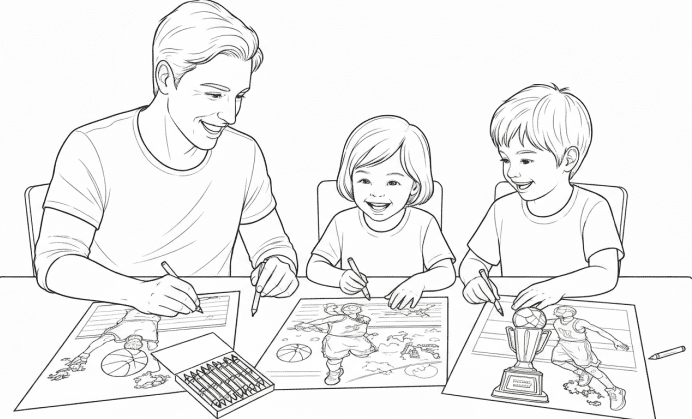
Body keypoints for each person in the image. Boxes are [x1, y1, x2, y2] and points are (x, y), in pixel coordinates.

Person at [34, 1, 299, 317]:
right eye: (214, 94)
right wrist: (137, 294)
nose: (230, 115)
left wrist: (279, 265)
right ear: (166, 79)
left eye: (238, 96)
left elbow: (272, 244)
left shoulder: (243, 154)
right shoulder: (92, 147)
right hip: (114, 324)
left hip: (211, 324)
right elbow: (54, 263)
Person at [459, 84, 624, 310]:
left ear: (568, 160)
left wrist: (556, 288)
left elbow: (605, 273)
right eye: (506, 160)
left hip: (577, 315)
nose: (512, 172)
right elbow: (472, 262)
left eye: (525, 160)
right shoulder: (503, 209)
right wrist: (474, 280)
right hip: (516, 315)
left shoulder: (592, 207)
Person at [306, 115, 456, 310]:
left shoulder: (423, 223)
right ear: (350, 180)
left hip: (407, 312)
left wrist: (419, 282)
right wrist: (340, 277)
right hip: (353, 311)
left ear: (414, 187)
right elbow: (314, 267)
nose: (377, 193)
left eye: (393, 183)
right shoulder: (342, 222)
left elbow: (446, 272)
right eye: (365, 181)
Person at [547, 306, 629, 411]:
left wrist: (615, 340)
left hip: (579, 347)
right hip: (563, 344)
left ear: (569, 313)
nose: (559, 313)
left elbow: (599, 331)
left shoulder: (579, 323)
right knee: (556, 360)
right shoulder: (557, 322)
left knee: (591, 369)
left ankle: (614, 390)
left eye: (562, 312)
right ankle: (581, 373)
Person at [295, 303, 377, 385]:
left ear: (359, 309)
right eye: (347, 307)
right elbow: (322, 320)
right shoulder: (339, 317)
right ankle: (334, 375)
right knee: (334, 359)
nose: (350, 308)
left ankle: (356, 354)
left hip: (357, 339)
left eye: (352, 307)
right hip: (337, 340)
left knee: (364, 352)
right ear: (343, 310)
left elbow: (359, 327)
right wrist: (307, 324)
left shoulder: (364, 319)